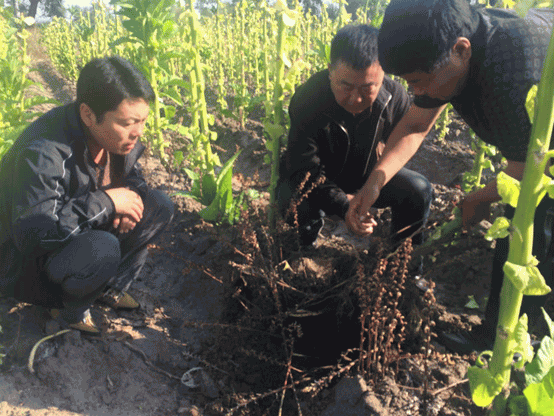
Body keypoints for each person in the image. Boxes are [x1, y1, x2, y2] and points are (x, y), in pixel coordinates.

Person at [351, 0, 554, 353]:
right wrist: (375, 182)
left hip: (543, 152)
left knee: (528, 226)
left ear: (461, 51)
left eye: (418, 82)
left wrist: (477, 198)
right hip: (530, 147)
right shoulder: (446, 55)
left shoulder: (514, 77)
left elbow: (533, 170)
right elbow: (415, 125)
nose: (415, 92)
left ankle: (506, 343)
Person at [0, 56, 174, 334]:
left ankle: (108, 289)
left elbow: (134, 177)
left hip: (77, 232)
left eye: (142, 121)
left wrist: (129, 198)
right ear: (88, 115)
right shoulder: (44, 152)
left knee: (158, 206)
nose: (138, 132)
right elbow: (35, 237)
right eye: (128, 123)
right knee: (103, 247)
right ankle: (68, 310)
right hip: (25, 266)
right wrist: (107, 202)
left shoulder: (113, 137)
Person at [277, 24, 434, 252]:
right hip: (321, 179)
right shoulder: (308, 99)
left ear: (383, 75)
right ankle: (304, 249)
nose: (355, 99)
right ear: (330, 71)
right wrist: (344, 204)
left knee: (418, 189)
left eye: (367, 88)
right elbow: (303, 169)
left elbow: (402, 146)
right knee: (291, 196)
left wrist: (373, 186)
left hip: (367, 178)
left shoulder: (395, 98)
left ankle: (402, 260)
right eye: (346, 86)